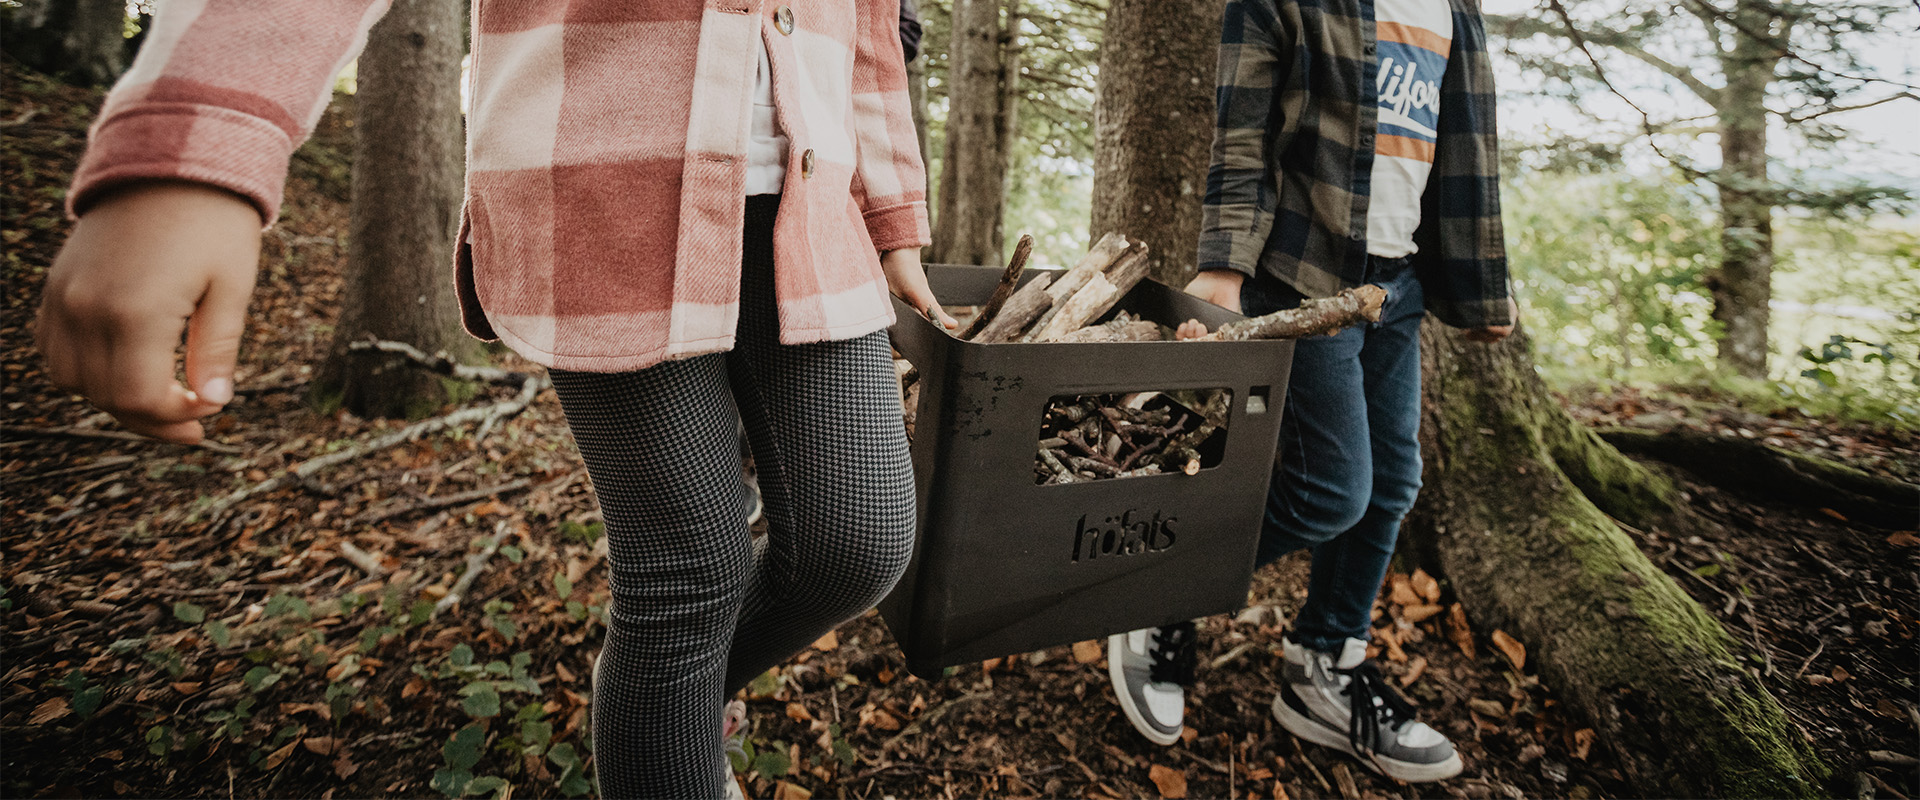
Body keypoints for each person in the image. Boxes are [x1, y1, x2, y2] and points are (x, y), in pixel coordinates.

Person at [34, 2, 955, 798]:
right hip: (600, 192)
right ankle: (671, 725)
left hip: (818, 208)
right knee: (688, 578)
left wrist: (893, 216)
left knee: (859, 543)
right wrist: (200, 130)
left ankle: (680, 697)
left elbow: (875, 29)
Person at [1104, 0, 1516, 783]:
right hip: (1299, 280)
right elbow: (1242, 133)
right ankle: (1155, 591)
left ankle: (1323, 666)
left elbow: (1469, 151)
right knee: (1331, 493)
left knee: (1392, 484)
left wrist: (1483, 291)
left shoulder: (1451, 11)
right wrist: (1222, 264)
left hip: (1395, 290)